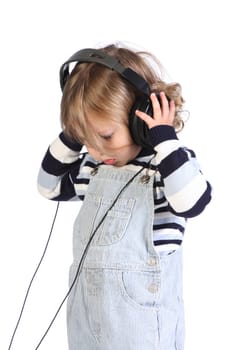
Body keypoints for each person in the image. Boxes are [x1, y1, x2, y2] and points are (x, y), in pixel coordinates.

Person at [37, 43, 212, 350]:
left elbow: (193, 201)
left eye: (105, 136)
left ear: (139, 116)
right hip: (87, 323)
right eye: (87, 140)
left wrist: (165, 140)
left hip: (142, 329)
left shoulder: (167, 168)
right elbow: (47, 185)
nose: (98, 150)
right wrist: (72, 135)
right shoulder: (93, 167)